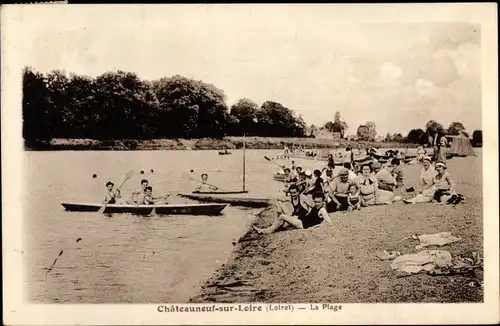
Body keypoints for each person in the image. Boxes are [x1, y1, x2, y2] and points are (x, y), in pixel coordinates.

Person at [252, 188, 331, 234]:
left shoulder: (322, 210)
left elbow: (330, 224)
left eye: (319, 202)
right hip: (303, 220)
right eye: (315, 201)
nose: (317, 204)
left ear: (323, 201)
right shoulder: (318, 207)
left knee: (282, 216)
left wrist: (317, 226)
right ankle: (272, 228)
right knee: (284, 218)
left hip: (304, 225)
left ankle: (267, 231)